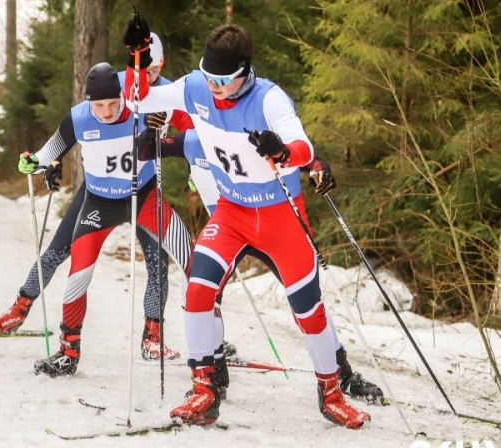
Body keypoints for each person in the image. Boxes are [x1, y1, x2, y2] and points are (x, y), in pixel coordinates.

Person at [122, 18, 370, 428]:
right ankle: (205, 390)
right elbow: (137, 101)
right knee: (198, 291)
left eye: (224, 81)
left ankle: (331, 394)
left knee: (309, 311)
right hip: (233, 213)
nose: (215, 89)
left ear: (243, 73)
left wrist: (283, 150)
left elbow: (303, 145)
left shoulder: (269, 99)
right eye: (209, 78)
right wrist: (138, 60)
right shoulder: (195, 88)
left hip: (280, 216)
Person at [0, 33, 195, 363]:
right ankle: (23, 313)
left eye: (155, 71)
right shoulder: (111, 93)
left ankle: (164, 338)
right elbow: (56, 146)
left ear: (162, 66)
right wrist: (39, 162)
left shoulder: (159, 100)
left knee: (165, 263)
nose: (108, 110)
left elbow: (194, 133)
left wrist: (199, 166)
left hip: (143, 193)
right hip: (98, 197)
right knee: (60, 254)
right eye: (144, 71)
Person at [137, 123, 384, 404]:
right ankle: (215, 378)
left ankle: (343, 374)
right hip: (228, 228)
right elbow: (145, 150)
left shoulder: (248, 136)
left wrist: (319, 167)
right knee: (198, 290)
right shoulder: (193, 140)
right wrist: (150, 129)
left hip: (269, 228)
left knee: (307, 303)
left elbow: (302, 157)